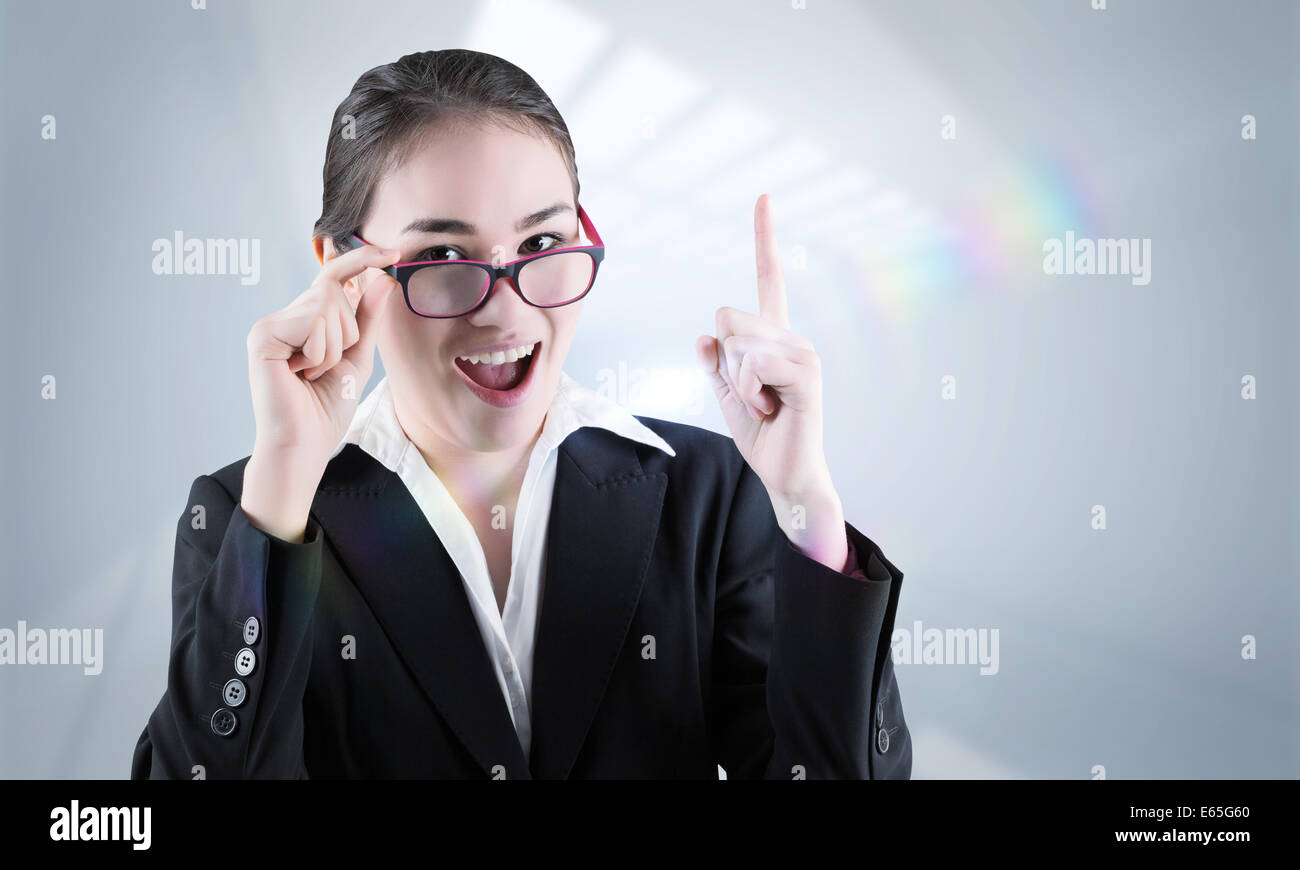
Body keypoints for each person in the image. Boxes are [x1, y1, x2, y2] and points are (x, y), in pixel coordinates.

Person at [130, 48, 910, 779]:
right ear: (342, 268)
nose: (506, 313)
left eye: (542, 240)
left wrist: (808, 507)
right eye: (440, 259)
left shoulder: (710, 493)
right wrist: (283, 490)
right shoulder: (254, 514)